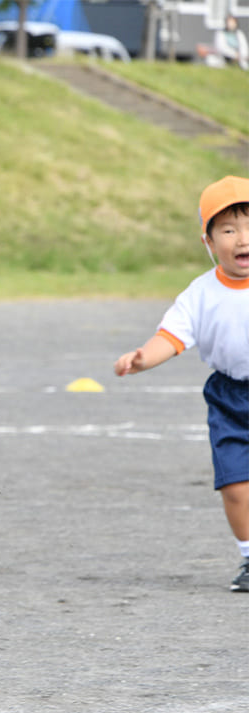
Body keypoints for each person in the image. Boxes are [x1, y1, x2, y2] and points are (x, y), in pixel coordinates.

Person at [113, 175, 249, 593]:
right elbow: (170, 337)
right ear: (208, 242)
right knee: (235, 486)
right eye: (228, 229)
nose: (242, 239)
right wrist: (143, 358)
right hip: (230, 398)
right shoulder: (200, 294)